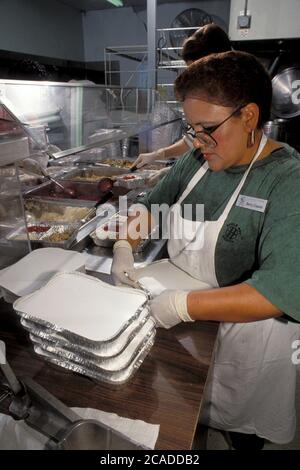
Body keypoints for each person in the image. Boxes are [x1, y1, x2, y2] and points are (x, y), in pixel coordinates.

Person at [111, 51, 300, 449]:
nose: (198, 141)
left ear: (249, 117)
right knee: (184, 418)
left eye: (208, 128)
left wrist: (180, 306)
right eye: (192, 128)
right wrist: (124, 245)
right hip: (190, 332)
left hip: (249, 338)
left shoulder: (287, 181)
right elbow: (151, 206)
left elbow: (277, 291)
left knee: (240, 430)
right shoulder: (198, 159)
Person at [132, 23, 232, 183]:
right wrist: (159, 154)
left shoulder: (233, 97)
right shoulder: (207, 95)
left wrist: (177, 171)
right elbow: (192, 139)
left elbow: (224, 154)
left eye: (198, 72)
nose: (196, 80)